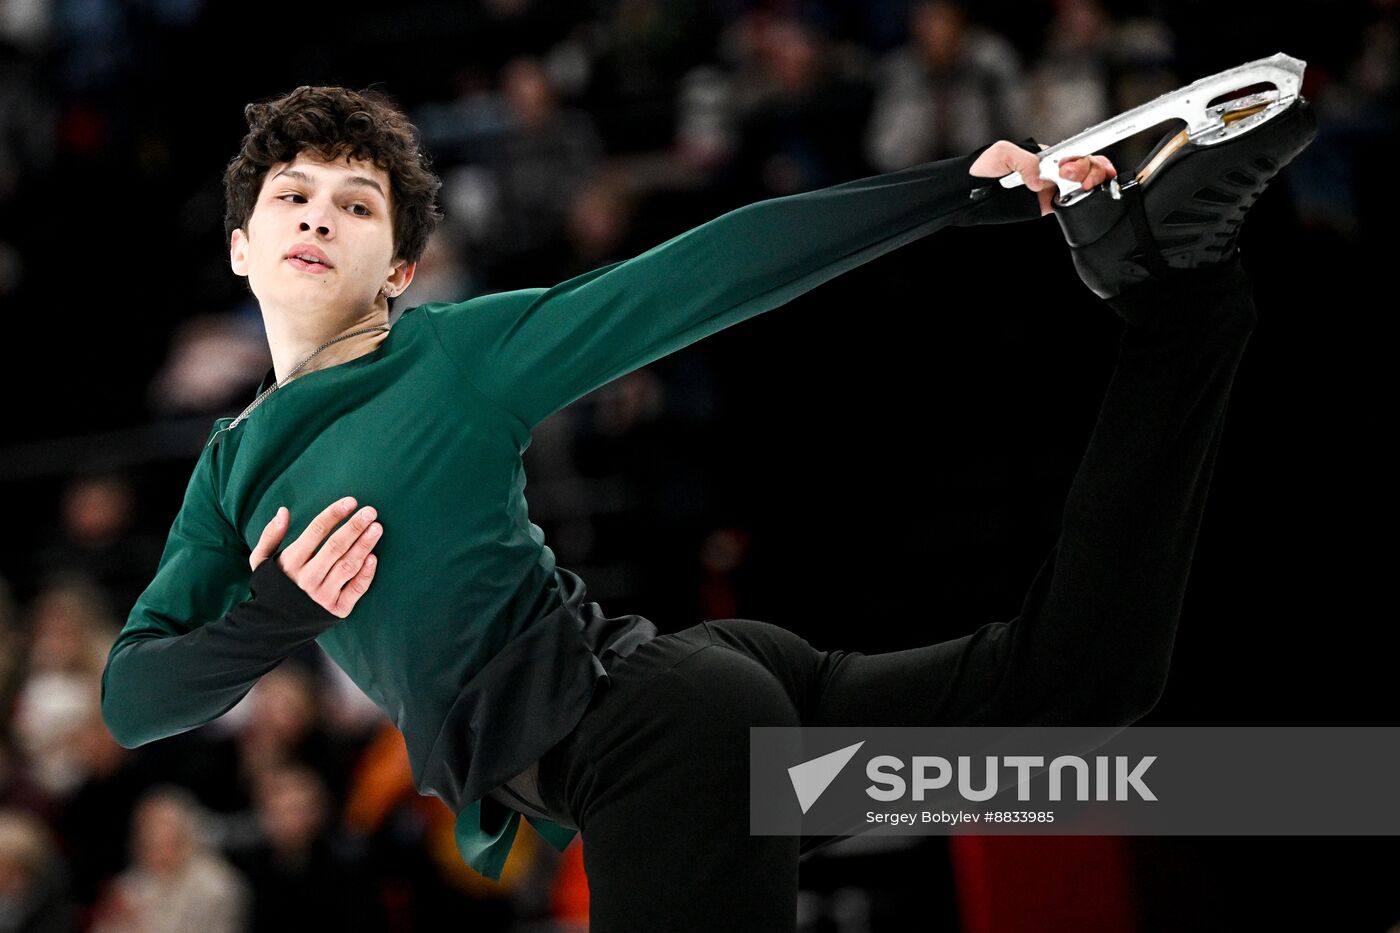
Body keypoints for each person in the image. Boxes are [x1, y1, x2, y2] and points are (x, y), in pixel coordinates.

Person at [99, 84, 1315, 931]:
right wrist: (269, 615)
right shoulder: (230, 468)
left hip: (662, 741)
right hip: (722, 722)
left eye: (356, 204)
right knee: (1080, 684)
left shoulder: (449, 359)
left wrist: (952, 191)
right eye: (292, 197)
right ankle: (1182, 296)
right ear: (241, 250)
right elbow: (137, 698)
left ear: (401, 271)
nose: (318, 214)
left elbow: (699, 273)